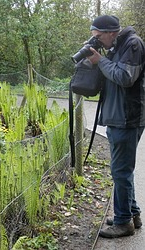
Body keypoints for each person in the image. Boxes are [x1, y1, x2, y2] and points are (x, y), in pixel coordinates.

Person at [87, 15, 145, 238]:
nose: (98, 41)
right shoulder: (116, 46)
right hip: (117, 117)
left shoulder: (133, 44)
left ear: (111, 32)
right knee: (122, 171)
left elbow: (124, 77)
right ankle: (132, 214)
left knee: (120, 171)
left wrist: (100, 61)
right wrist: (96, 60)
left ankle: (123, 223)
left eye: (99, 37)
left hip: (127, 118)